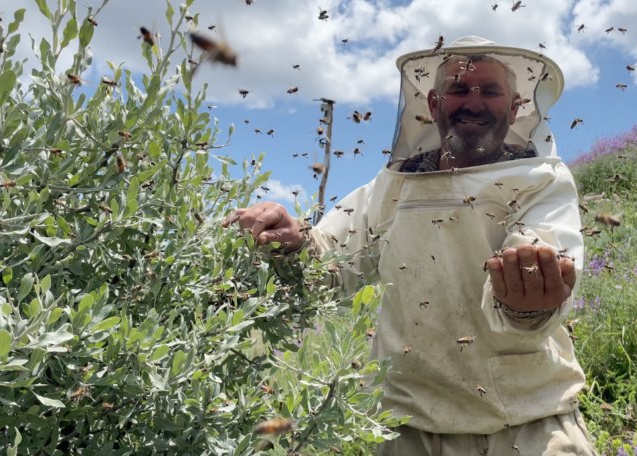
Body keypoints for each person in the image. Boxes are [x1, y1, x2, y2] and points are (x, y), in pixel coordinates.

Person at [223, 36, 596, 455]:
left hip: (529, 422)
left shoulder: (541, 179)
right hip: (407, 429)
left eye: (490, 90)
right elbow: (329, 257)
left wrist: (529, 300)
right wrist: (291, 240)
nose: (474, 101)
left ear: (514, 108)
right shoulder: (391, 188)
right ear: (434, 103)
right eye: (459, 89)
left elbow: (543, 248)